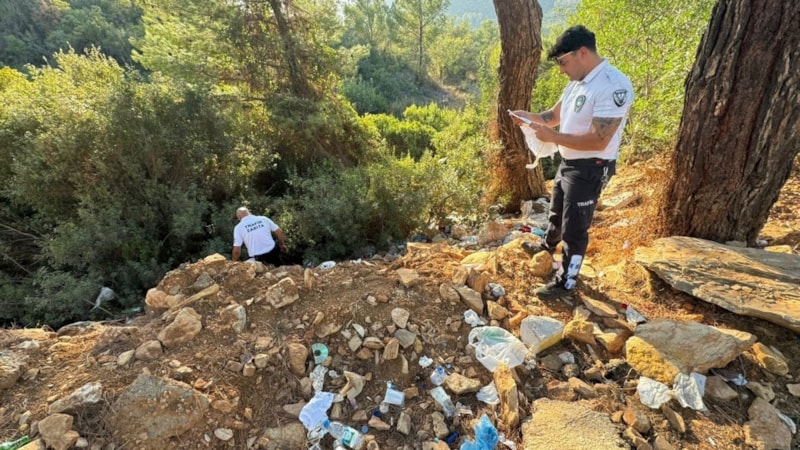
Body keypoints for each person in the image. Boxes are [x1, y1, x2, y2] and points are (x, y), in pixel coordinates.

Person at [509, 25, 634, 300]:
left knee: (575, 227)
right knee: (557, 212)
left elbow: (599, 139)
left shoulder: (613, 85)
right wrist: (526, 117)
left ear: (582, 53)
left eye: (563, 62)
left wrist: (553, 136)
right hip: (569, 162)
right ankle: (547, 246)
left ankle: (566, 282)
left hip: (592, 166)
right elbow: (552, 116)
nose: (561, 70)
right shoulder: (577, 83)